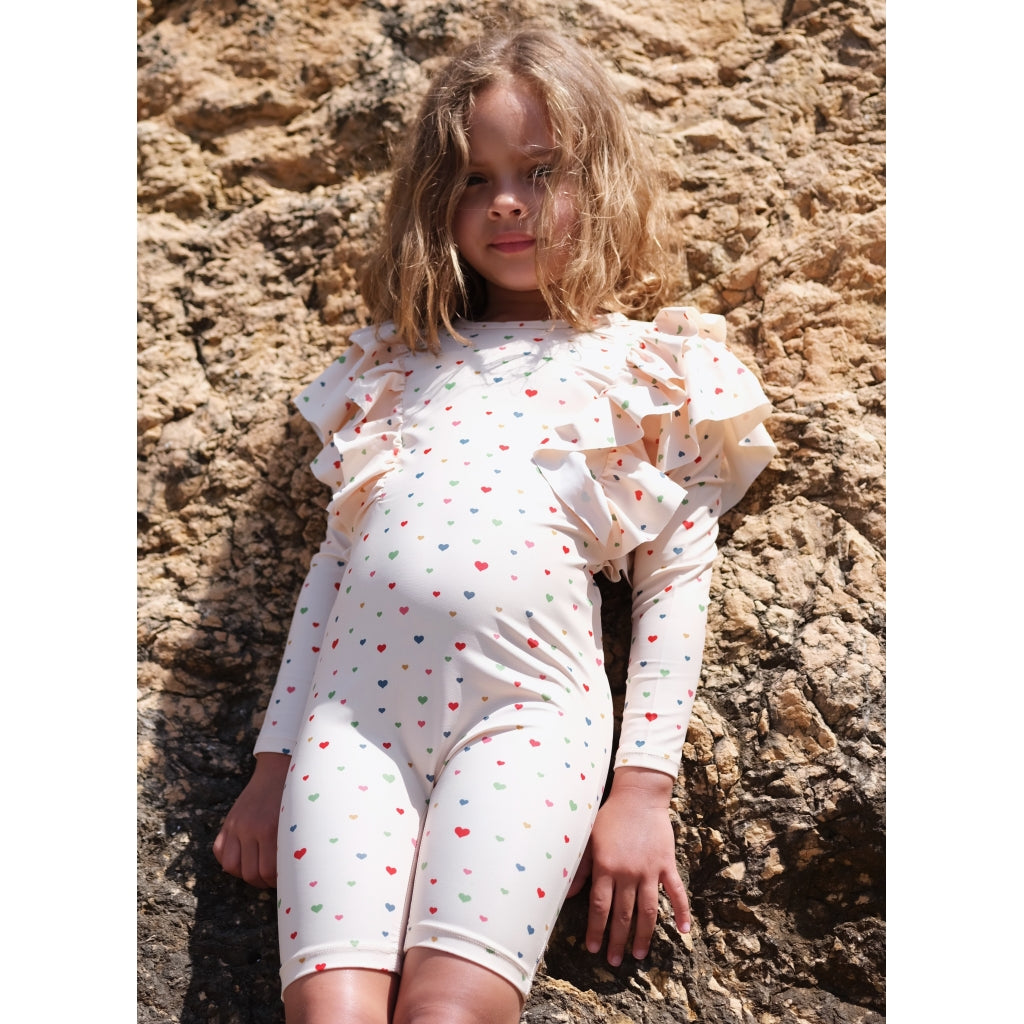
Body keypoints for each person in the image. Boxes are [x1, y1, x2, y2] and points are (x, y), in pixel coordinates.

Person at [214, 24, 776, 1024]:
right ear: (436, 197)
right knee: (328, 1012)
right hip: (350, 728)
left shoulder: (649, 369)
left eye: (540, 171)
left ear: (600, 180)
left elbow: (675, 582)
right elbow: (331, 570)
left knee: (451, 1010)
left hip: (527, 721)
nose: (507, 202)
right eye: (475, 179)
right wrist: (272, 765)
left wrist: (642, 790)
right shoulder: (392, 368)